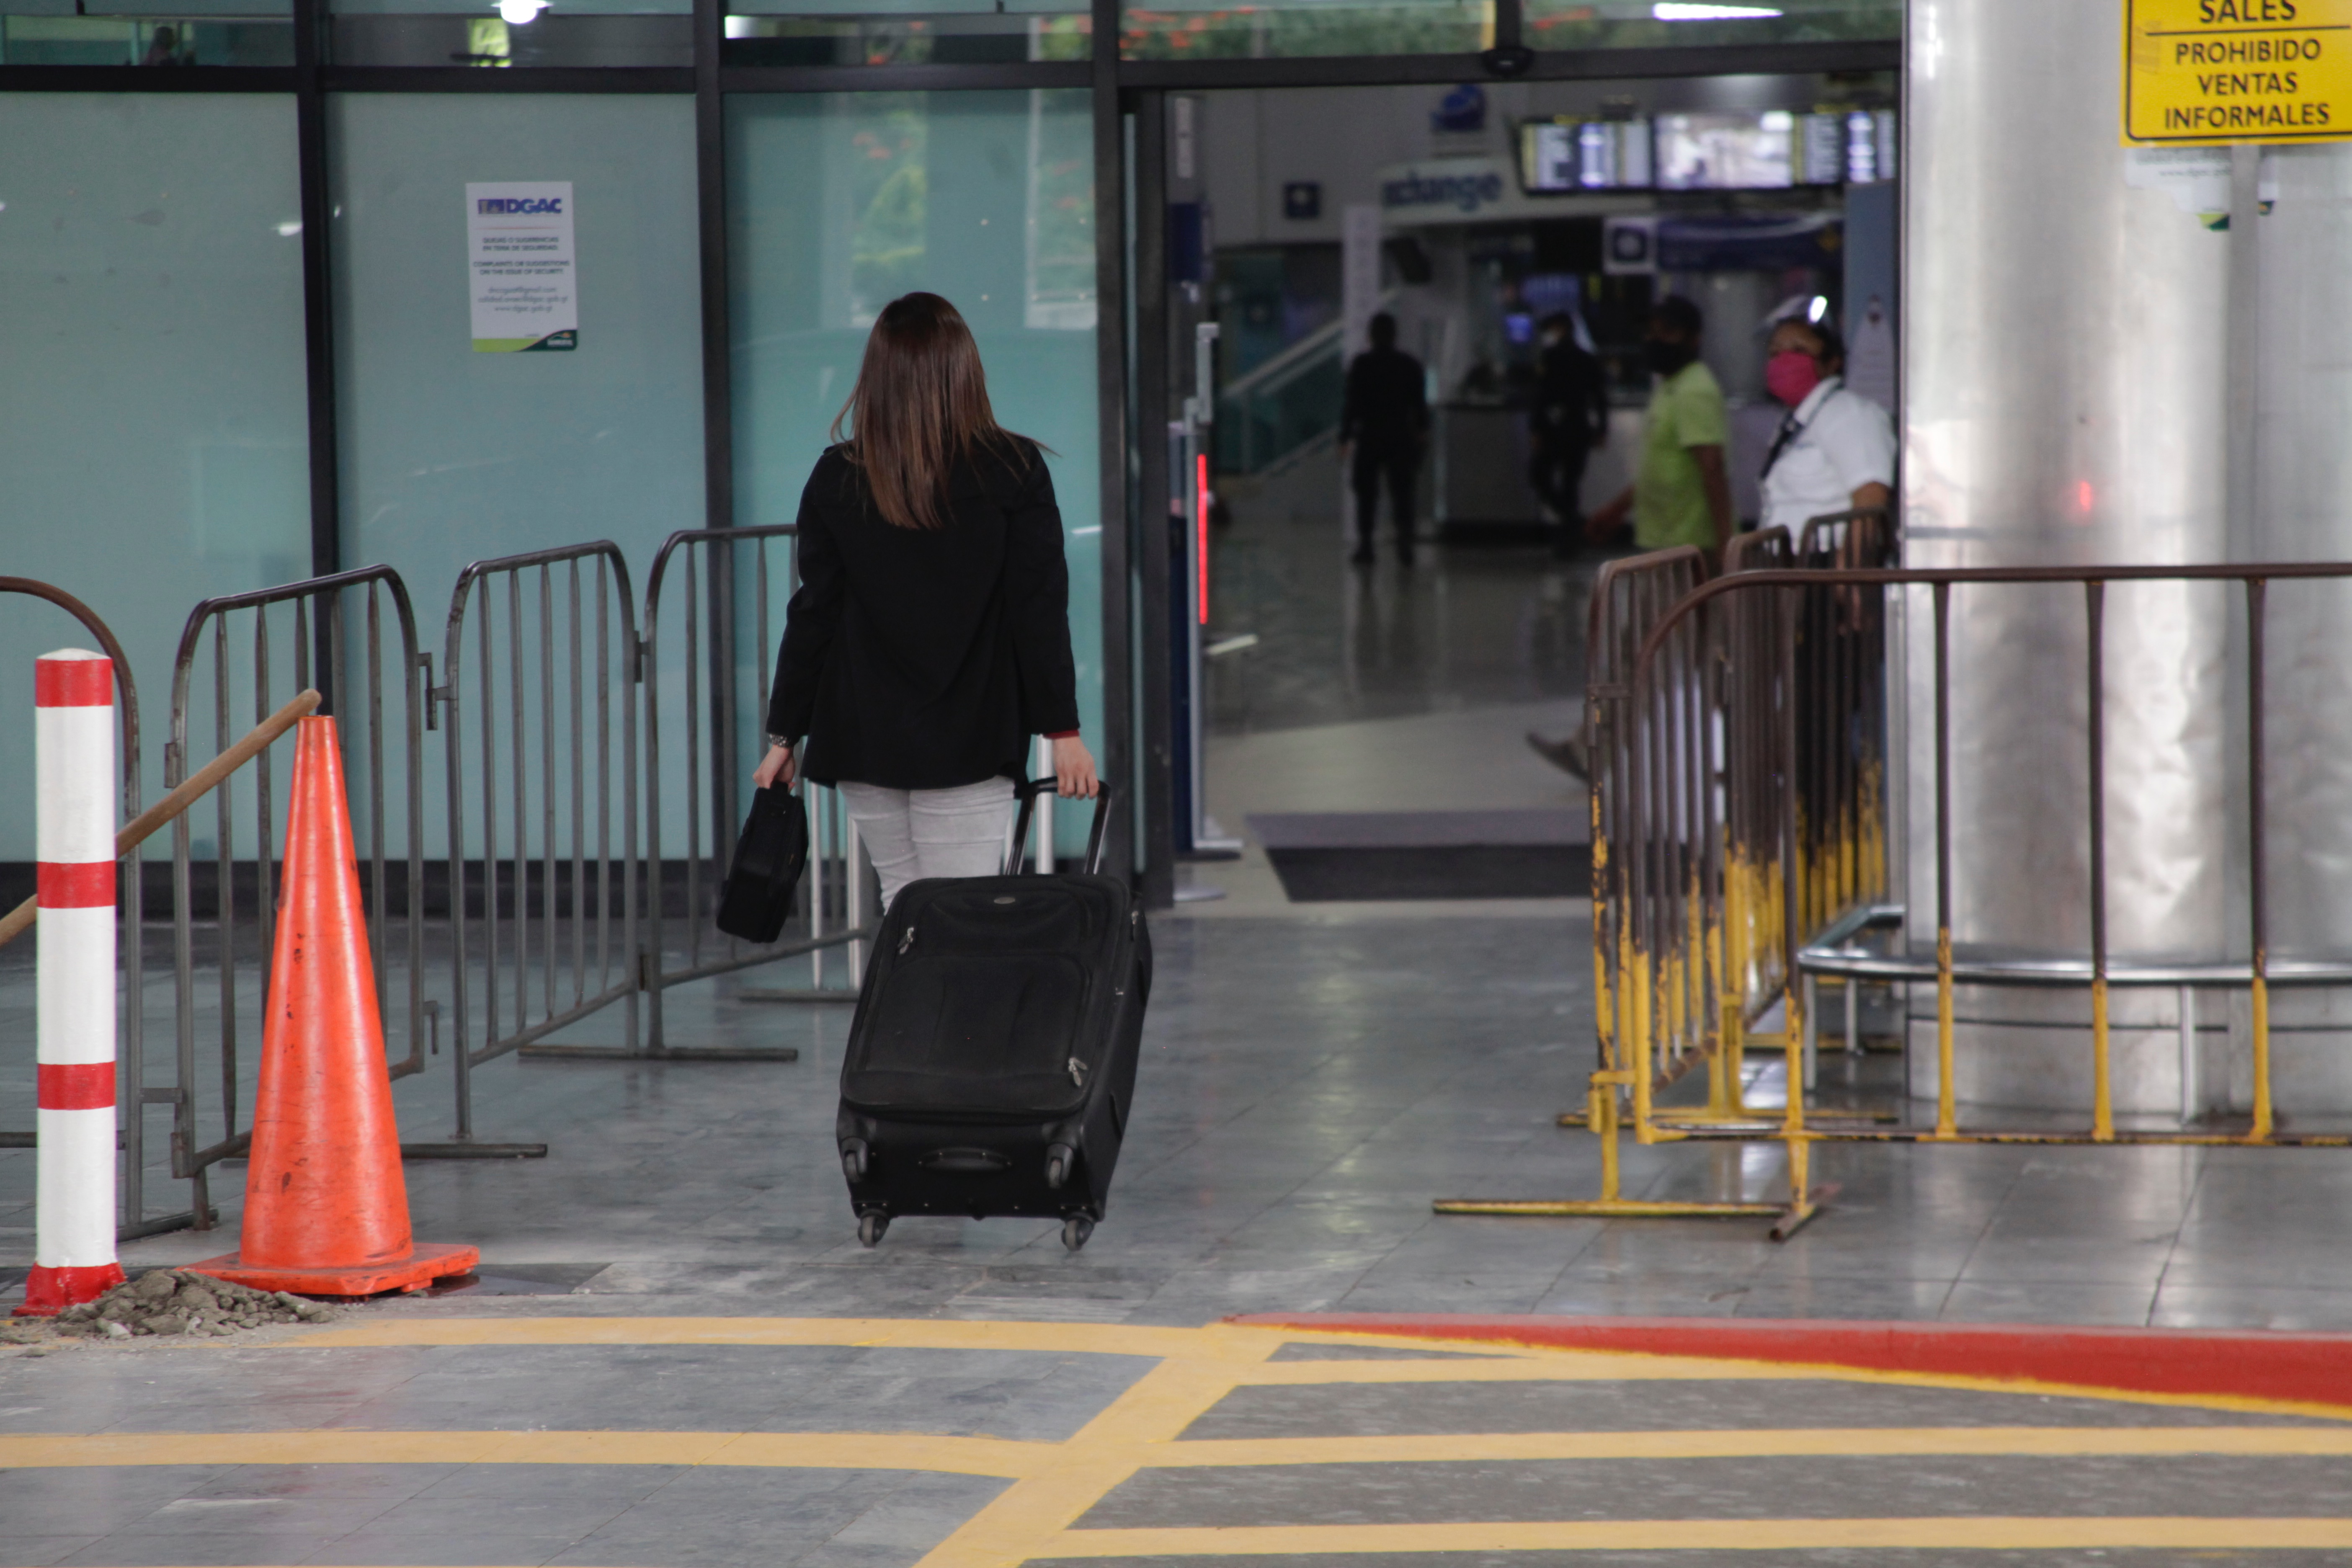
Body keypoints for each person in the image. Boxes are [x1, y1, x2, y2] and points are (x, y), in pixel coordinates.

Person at [752, 291, 1099, 910]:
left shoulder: (839, 475)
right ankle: (939, 1012)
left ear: (876, 377)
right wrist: (1062, 728)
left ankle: (902, 1010)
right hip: (972, 732)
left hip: (865, 731)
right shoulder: (1012, 470)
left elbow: (815, 614)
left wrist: (786, 734)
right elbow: (1037, 608)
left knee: (906, 904)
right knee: (959, 917)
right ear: (964, 372)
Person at [1530, 296, 1730, 782]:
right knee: (1717, 655)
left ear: (1693, 338)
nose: (1655, 341)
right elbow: (1662, 472)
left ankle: (1591, 752)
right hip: (1674, 544)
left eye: (1668, 333)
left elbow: (1712, 471)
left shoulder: (1695, 392)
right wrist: (1616, 509)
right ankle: (1750, 753)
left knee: (1635, 655)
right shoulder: (1672, 388)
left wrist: (1725, 551)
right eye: (1653, 331)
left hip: (1685, 551)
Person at [1757, 314, 1895, 538]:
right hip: (1790, 565)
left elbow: (1870, 497)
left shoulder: (1848, 414)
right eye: (1775, 353)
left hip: (1825, 565)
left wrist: (1845, 571)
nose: (1784, 360)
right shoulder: (1796, 422)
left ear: (1832, 362)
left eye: (1799, 350)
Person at [1338, 312, 1430, 566]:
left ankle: (1366, 545)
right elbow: (1419, 407)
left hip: (1370, 435)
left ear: (1371, 336)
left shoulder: (1362, 365)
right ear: (1394, 335)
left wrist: (1345, 437)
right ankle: (1405, 544)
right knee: (1403, 492)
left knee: (1366, 493)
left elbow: (1352, 405)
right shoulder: (1410, 365)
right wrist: (1422, 432)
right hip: (1400, 435)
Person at [1527, 311, 1610, 557]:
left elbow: (1541, 397)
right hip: (1578, 429)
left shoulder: (1550, 357)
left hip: (1555, 429)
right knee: (1570, 484)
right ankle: (1572, 527)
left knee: (1541, 476)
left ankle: (1571, 527)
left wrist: (1536, 429)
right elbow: (1600, 397)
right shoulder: (1587, 359)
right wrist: (1602, 428)